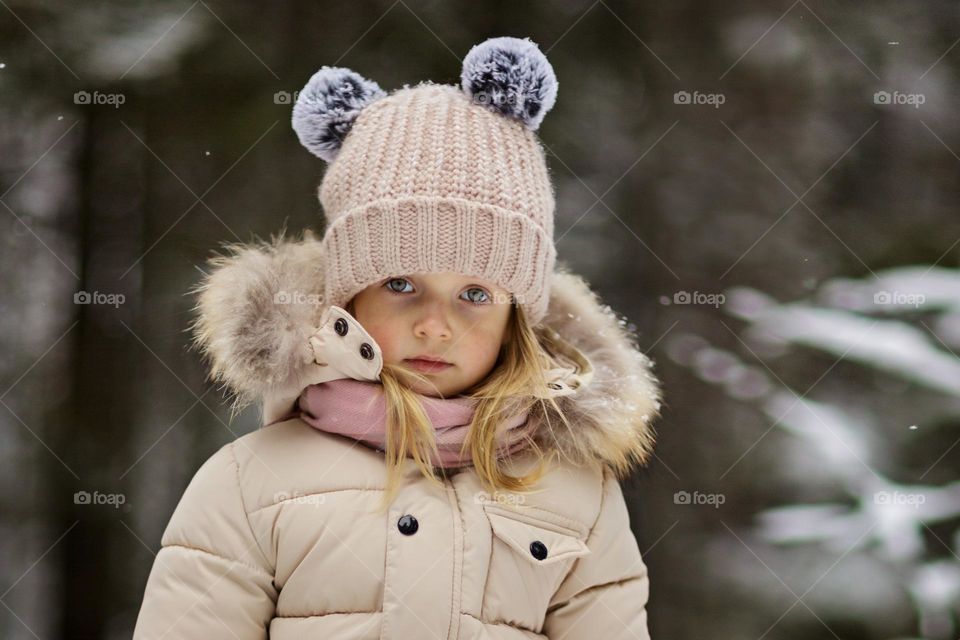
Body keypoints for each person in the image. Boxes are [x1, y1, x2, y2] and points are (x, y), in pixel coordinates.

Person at [132, 35, 663, 639]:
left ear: (516, 319)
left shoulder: (576, 496)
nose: (435, 324)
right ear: (348, 299)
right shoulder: (250, 482)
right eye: (402, 283)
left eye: (475, 294)